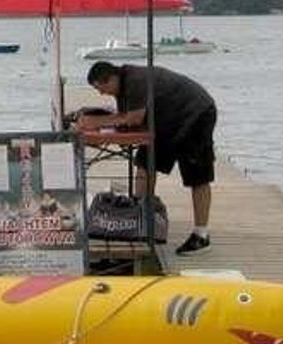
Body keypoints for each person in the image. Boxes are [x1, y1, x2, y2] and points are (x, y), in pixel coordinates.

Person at [82, 60, 217, 256]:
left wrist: (94, 122)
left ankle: (201, 235)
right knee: (144, 164)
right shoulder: (122, 87)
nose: (101, 93)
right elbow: (125, 121)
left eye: (100, 88)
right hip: (164, 121)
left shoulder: (135, 80)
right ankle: (141, 219)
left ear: (111, 79)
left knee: (197, 177)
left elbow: (133, 118)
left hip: (195, 114)